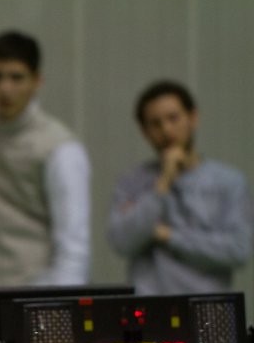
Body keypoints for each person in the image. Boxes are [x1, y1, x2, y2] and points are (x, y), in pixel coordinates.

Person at [107, 79, 254, 294]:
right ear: (144, 131)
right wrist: (163, 184)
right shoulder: (132, 181)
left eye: (173, 118)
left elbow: (238, 250)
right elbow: (121, 242)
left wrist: (168, 235)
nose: (166, 130)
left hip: (206, 302)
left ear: (193, 117)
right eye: (155, 123)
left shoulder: (228, 181)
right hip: (149, 302)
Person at [0, 30, 91, 286]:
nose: (5, 88)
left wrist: (60, 299)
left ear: (37, 80)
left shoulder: (60, 147)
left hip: (39, 285)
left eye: (16, 77)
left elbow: (74, 243)